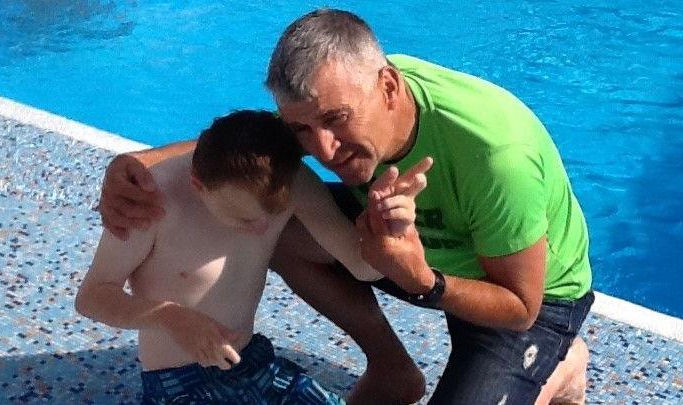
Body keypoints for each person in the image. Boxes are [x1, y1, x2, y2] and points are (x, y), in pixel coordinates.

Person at [99, 9, 594, 405]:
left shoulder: (495, 155)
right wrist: (136, 163)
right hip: (394, 243)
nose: (324, 149)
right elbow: (250, 145)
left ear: (389, 87)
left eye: (337, 121)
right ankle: (392, 369)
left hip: (520, 295)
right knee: (271, 220)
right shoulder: (333, 96)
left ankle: (560, 366)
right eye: (302, 131)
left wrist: (421, 278)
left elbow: (521, 308)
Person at [77, 110, 428, 404]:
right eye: (245, 219)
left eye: (275, 215)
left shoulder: (293, 180)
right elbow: (92, 296)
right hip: (179, 384)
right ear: (199, 185)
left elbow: (360, 267)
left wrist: (389, 233)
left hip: (254, 362)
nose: (264, 231)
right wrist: (171, 317)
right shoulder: (153, 203)